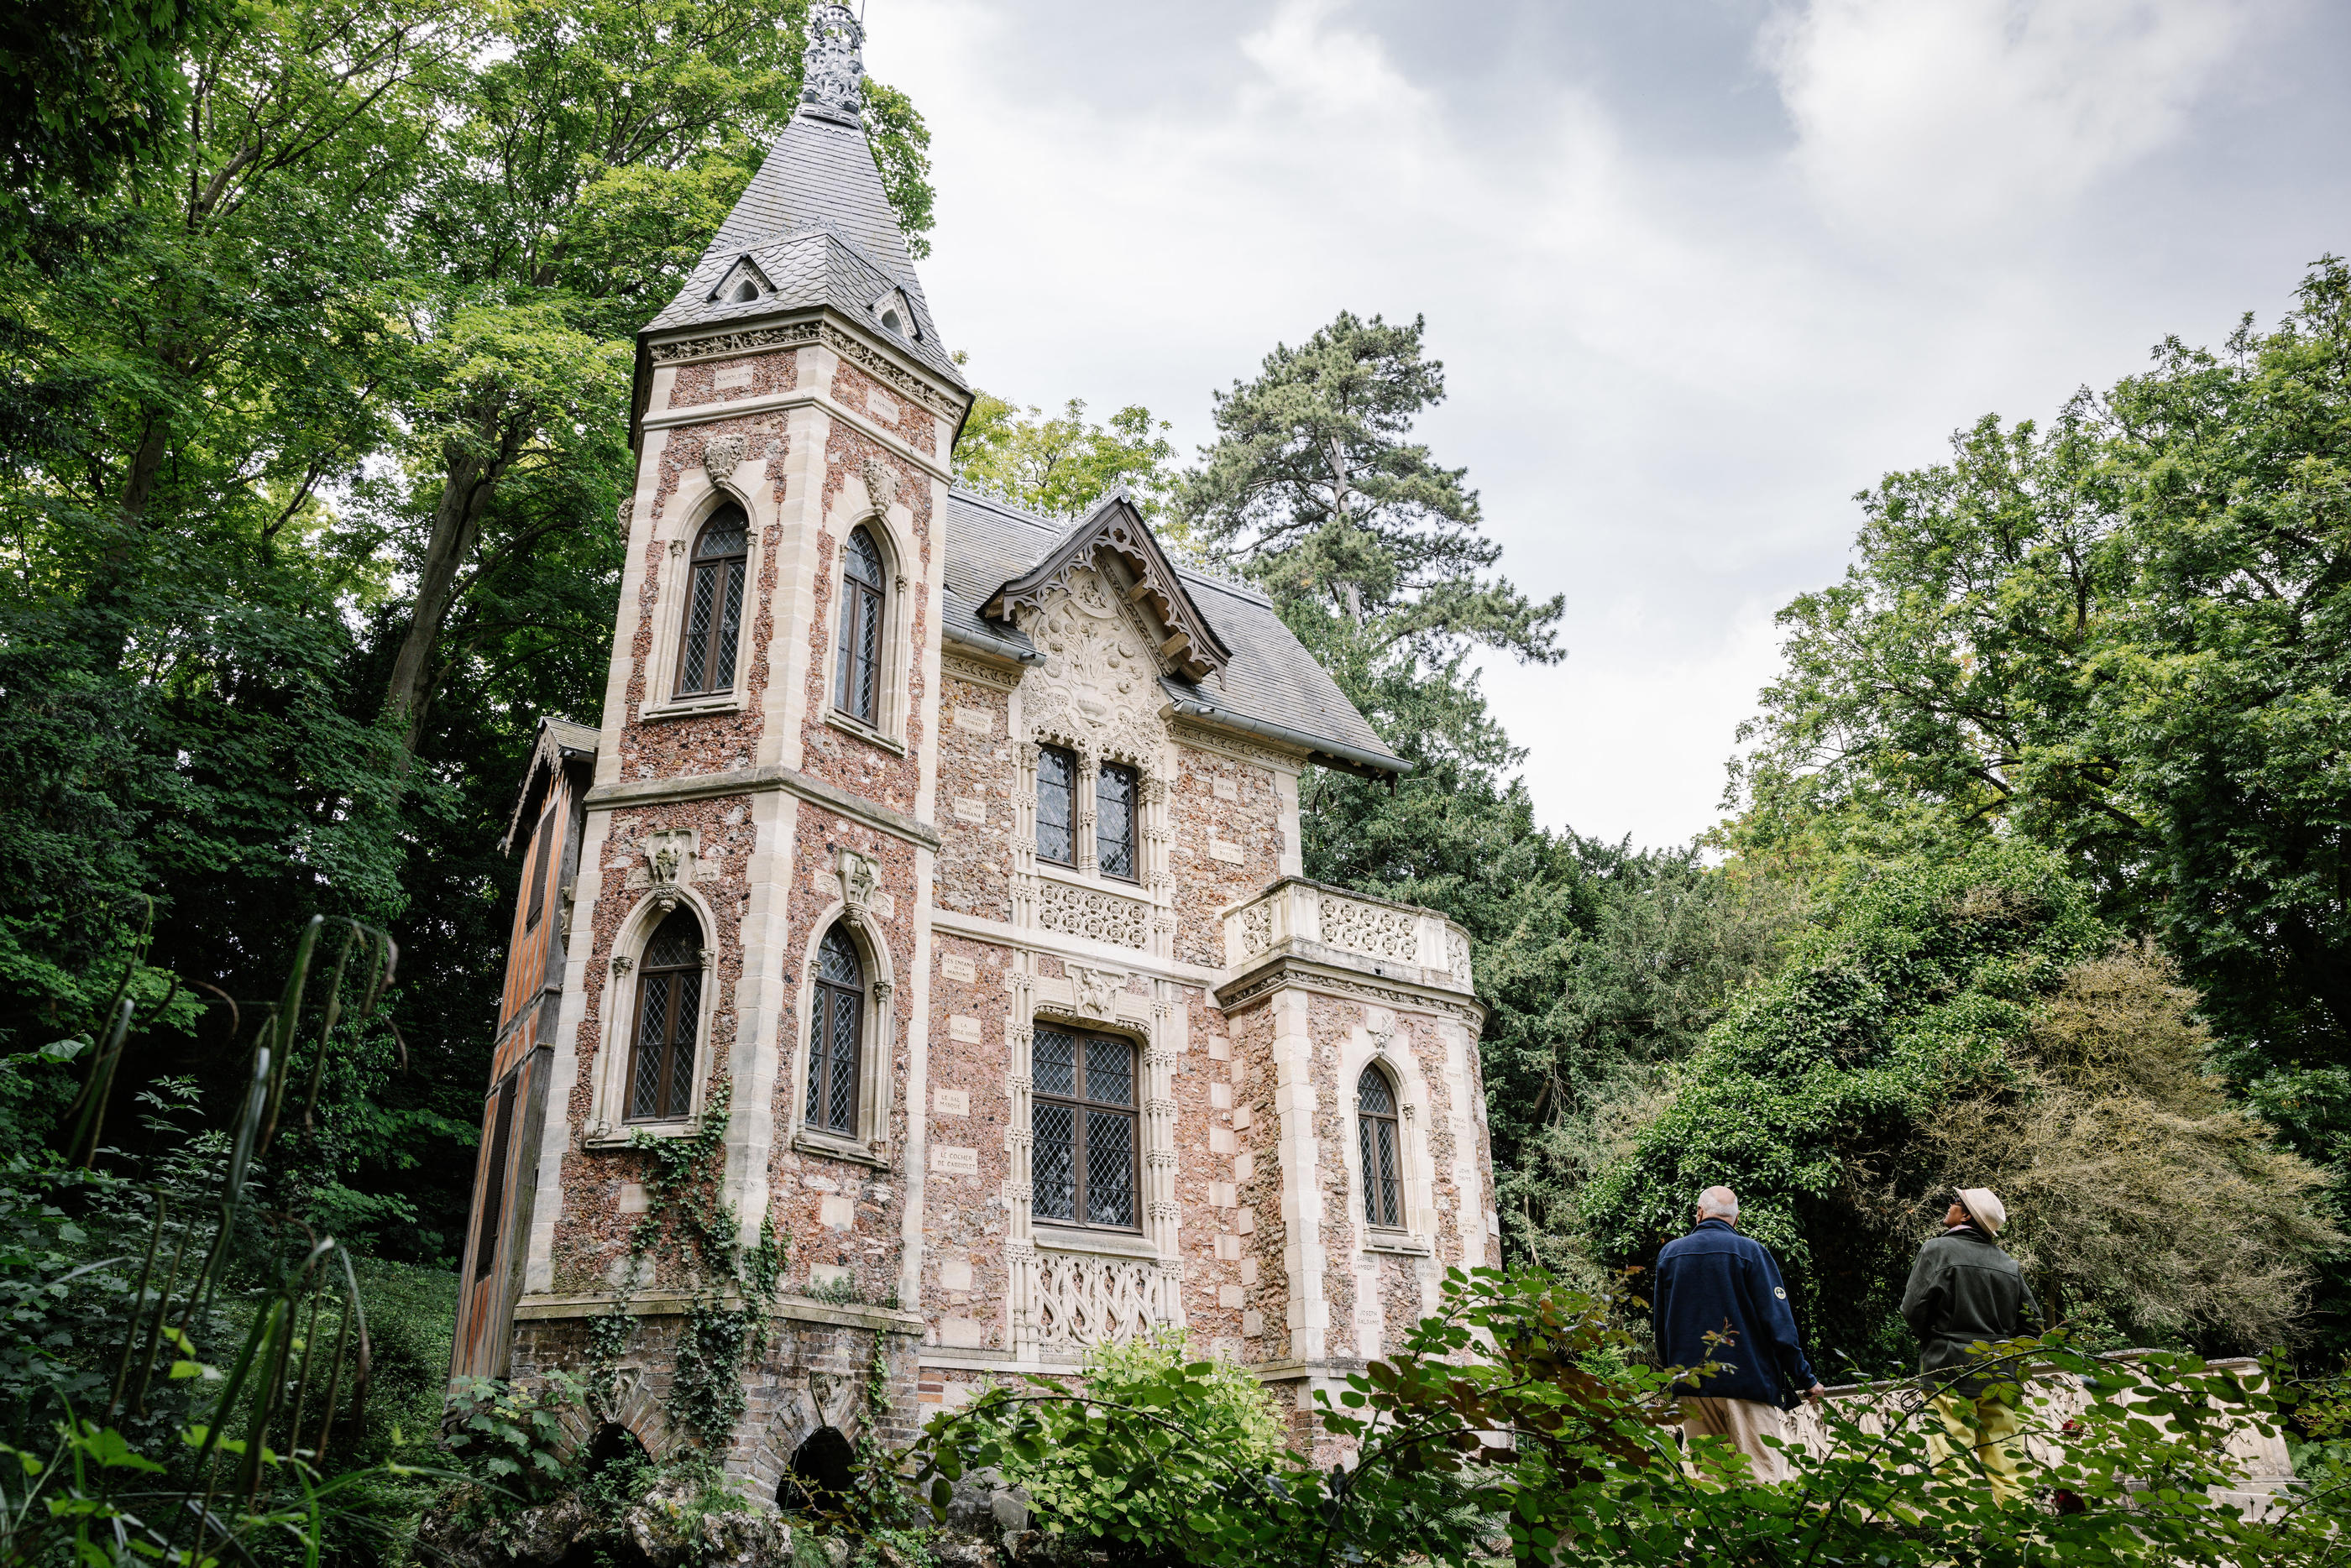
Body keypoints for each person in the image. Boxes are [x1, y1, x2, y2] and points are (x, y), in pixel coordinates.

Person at [1652, 1185, 1825, 1484]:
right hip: (1747, 1385)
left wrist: (1676, 1378)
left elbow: (1661, 1327)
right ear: (1737, 1218)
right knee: (1762, 1476)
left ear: (1699, 1212)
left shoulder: (1671, 1255)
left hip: (1692, 1384)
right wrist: (1805, 1378)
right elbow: (1779, 1325)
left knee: (1709, 1479)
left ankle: (1713, 1532)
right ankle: (1764, 1533)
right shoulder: (1751, 1252)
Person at [1898, 1187, 2044, 1507]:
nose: (1949, 1206)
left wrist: (1937, 1341)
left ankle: (1958, 1552)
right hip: (2000, 1377)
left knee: (1952, 1466)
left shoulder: (1937, 1250)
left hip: (1948, 1371)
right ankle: (2024, 1546)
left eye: (1955, 1203)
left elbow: (1912, 1309)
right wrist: (2009, 1359)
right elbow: (2033, 1325)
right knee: (2009, 1465)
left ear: (1965, 1215)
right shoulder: (2008, 1263)